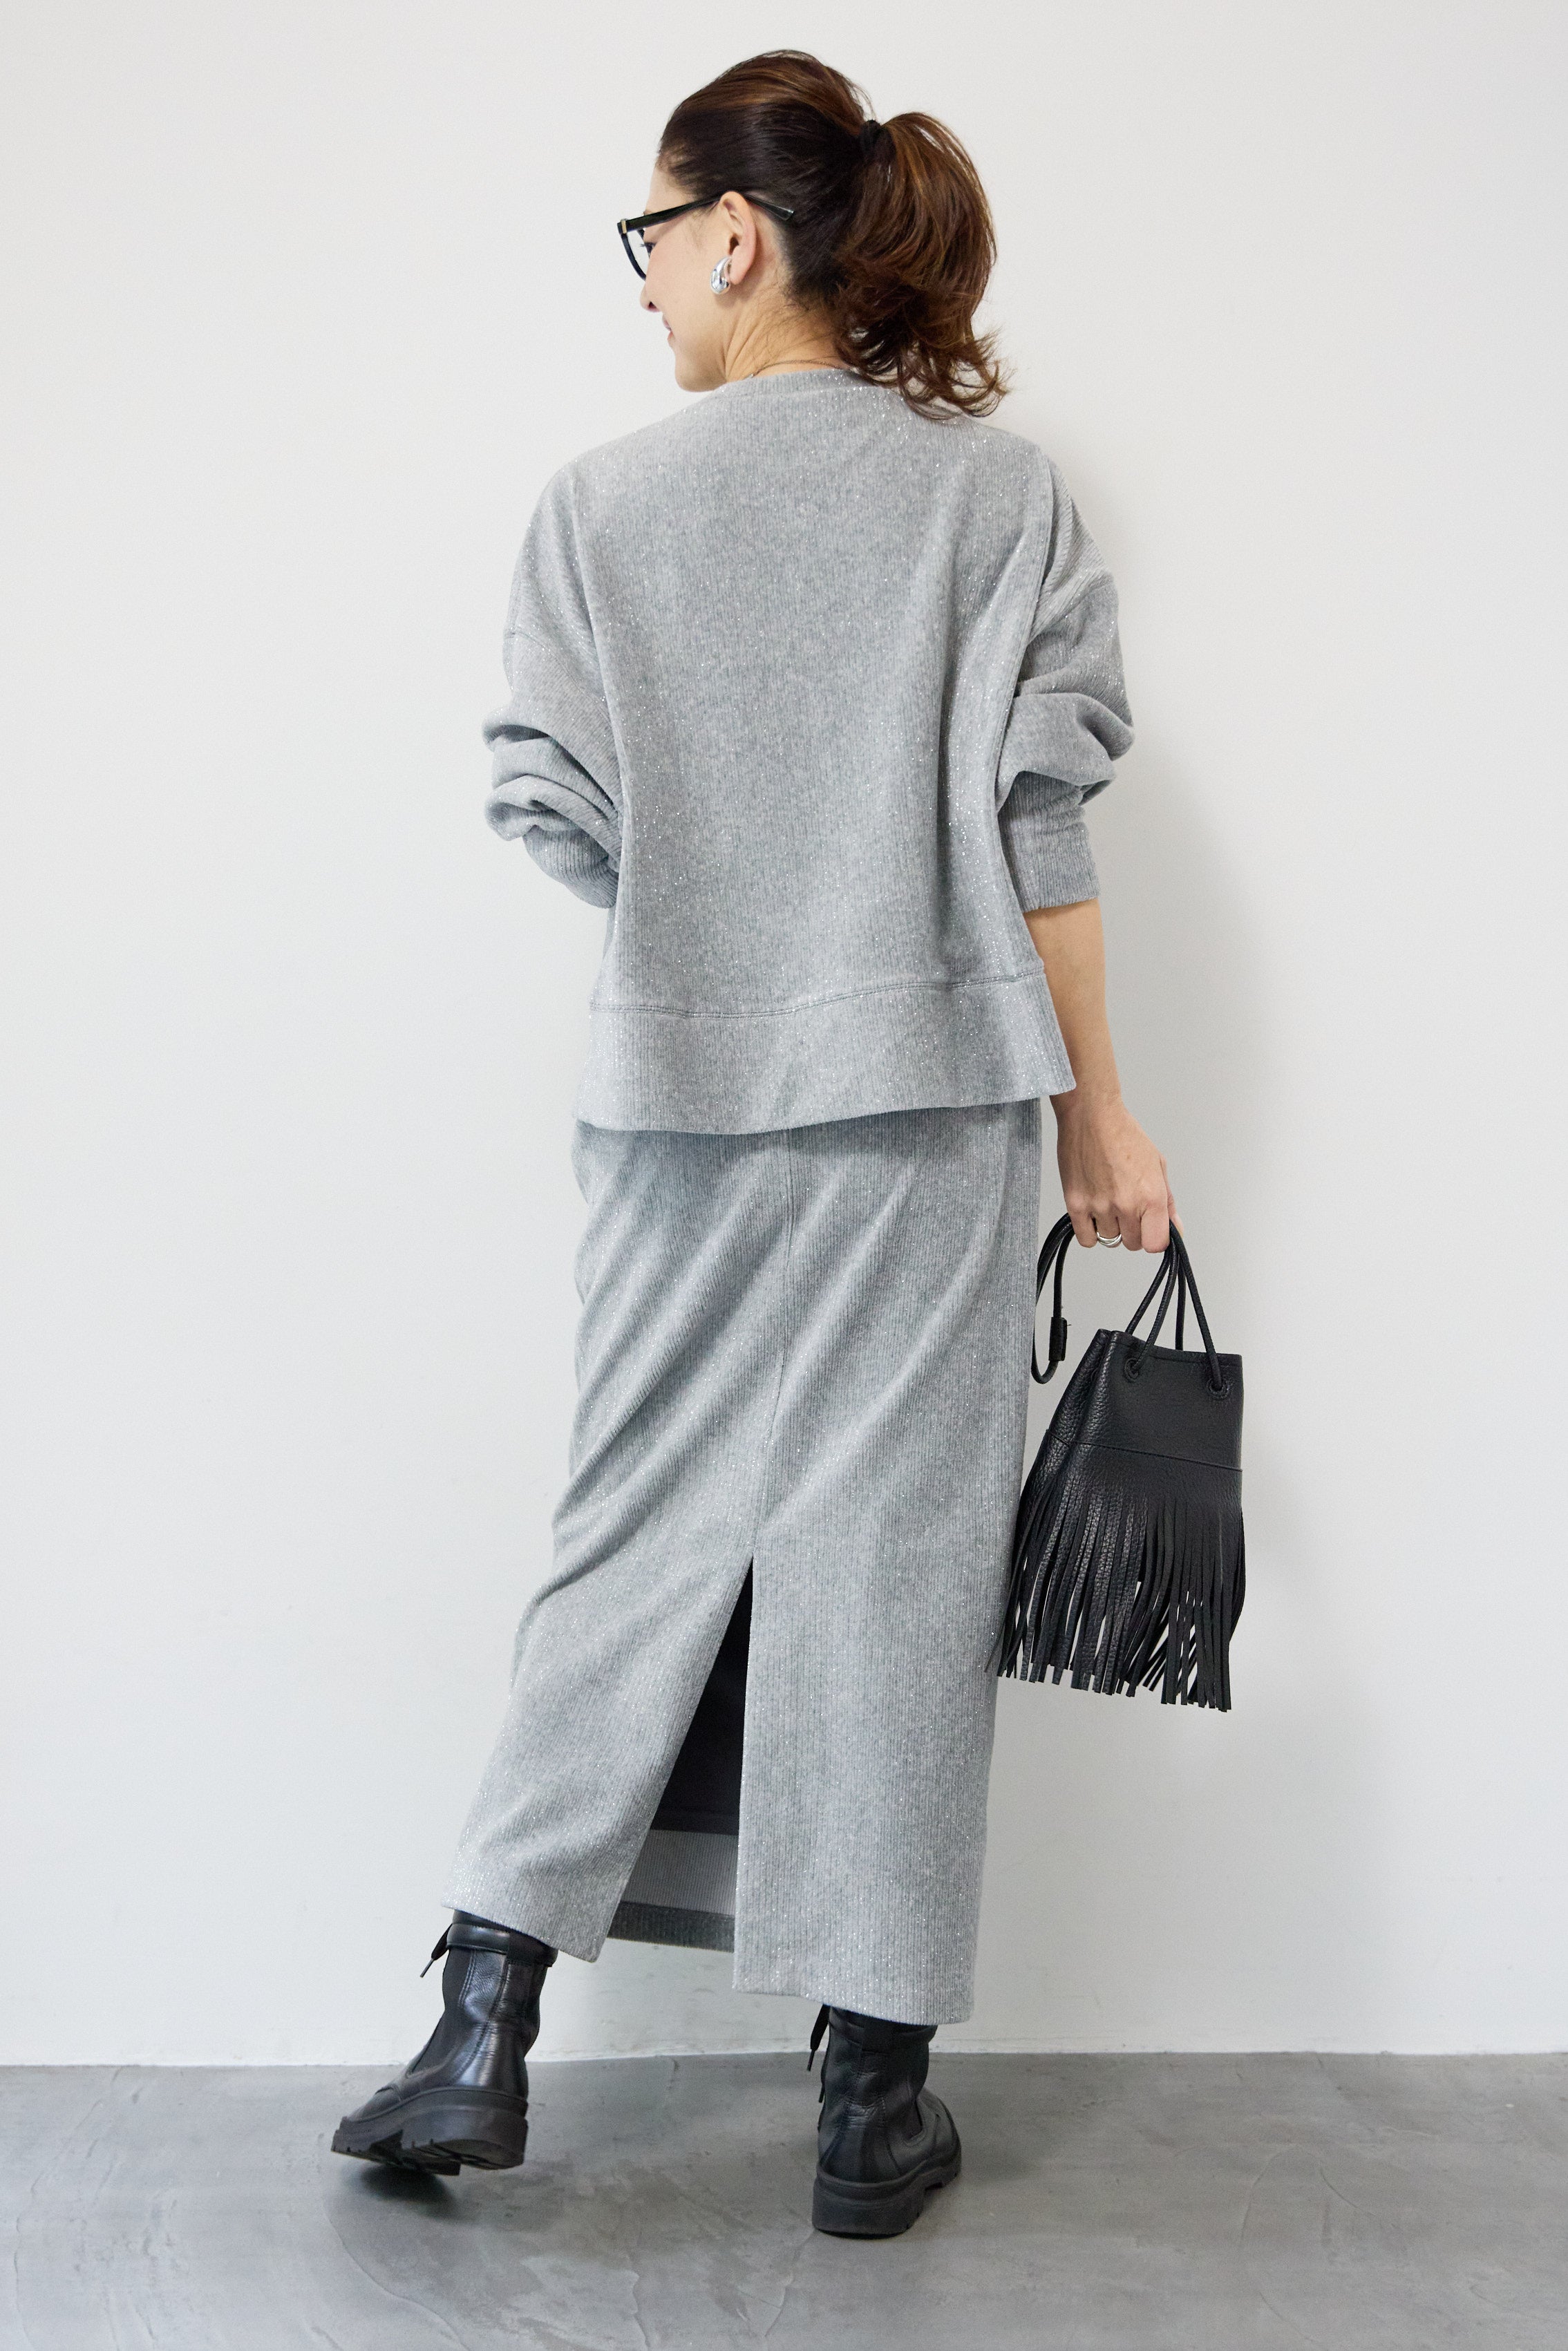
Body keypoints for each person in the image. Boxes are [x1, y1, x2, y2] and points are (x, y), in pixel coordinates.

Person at [333, 48, 1175, 2239]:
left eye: (651, 236)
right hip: (931, 1101)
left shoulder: (596, 510)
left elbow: (543, 797)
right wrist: (1101, 1113)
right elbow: (1043, 826)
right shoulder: (1002, 503)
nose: (640, 284)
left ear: (733, 234)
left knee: (630, 1525)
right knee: (897, 1560)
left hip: (675, 1101)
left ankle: (481, 2019)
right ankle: (867, 2100)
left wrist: (715, 927)